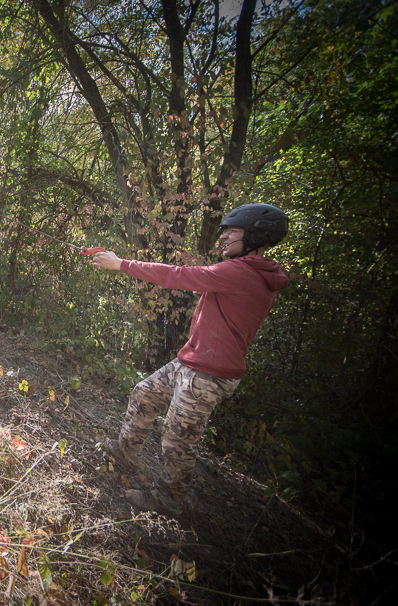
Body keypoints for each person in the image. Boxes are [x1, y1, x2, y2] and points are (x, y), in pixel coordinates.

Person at [90, 203, 289, 515]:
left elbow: (178, 275)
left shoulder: (241, 272)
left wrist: (120, 264)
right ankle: (125, 456)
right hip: (192, 362)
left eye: (233, 232)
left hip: (208, 372)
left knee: (178, 438)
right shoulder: (249, 274)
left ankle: (167, 500)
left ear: (254, 236)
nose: (225, 238)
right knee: (144, 394)